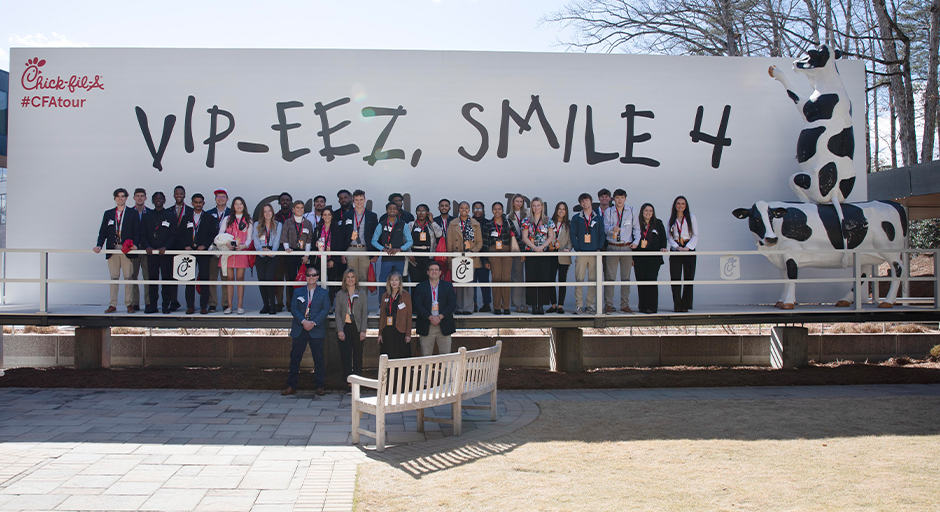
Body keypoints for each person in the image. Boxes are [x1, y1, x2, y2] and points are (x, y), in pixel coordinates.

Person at [283, 267, 330, 396]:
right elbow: (293, 308)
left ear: (317, 277)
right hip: (300, 328)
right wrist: (304, 321)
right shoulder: (298, 292)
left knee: (318, 359)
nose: (311, 277)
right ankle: (291, 385)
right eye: (309, 275)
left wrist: (313, 323)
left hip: (316, 329)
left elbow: (325, 309)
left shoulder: (324, 293)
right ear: (305, 277)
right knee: (295, 358)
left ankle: (320, 386)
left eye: (314, 275)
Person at [94, 188, 141, 313]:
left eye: (123, 196)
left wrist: (135, 245)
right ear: (115, 198)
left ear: (126, 198)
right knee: (114, 277)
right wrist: (99, 245)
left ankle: (129, 304)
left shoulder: (132, 213)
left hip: (127, 249)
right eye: (118, 196)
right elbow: (103, 232)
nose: (120, 198)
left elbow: (137, 231)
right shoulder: (108, 213)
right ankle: (113, 304)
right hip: (112, 248)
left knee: (128, 277)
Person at [180, 193, 218, 315]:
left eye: (200, 202)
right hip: (189, 252)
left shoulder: (208, 218)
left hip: (203, 253)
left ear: (203, 203)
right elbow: (179, 234)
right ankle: (190, 306)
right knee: (189, 280)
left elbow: (213, 235)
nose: (198, 204)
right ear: (192, 203)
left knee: (204, 279)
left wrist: (205, 246)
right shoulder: (186, 217)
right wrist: (186, 245)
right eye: (195, 202)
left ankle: (203, 306)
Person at [603, 188, 640, 314]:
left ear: (625, 198)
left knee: (626, 278)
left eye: (622, 197)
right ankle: (608, 305)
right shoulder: (609, 211)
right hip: (612, 246)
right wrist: (612, 229)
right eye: (617, 198)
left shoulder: (631, 211)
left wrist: (636, 242)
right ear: (614, 199)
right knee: (610, 278)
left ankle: (625, 304)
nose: (619, 200)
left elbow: (637, 229)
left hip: (626, 247)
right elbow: (605, 228)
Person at [140, 191, 178, 314]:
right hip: (151, 254)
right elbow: (143, 234)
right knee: (153, 280)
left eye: (160, 199)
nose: (158, 200)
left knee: (166, 280)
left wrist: (165, 247)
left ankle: (166, 305)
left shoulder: (170, 215)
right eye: (156, 199)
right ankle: (153, 305)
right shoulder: (147, 216)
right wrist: (147, 246)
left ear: (164, 200)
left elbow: (174, 235)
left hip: (165, 254)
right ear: (152, 201)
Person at [570, 193, 605, 315]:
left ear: (591, 202)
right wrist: (577, 248)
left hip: (595, 253)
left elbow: (602, 234)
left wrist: (599, 248)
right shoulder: (576, 218)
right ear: (580, 204)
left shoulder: (598, 218)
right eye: (583, 202)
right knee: (579, 280)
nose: (585, 203)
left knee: (593, 280)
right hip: (582, 253)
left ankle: (590, 305)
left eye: (587, 201)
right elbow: (572, 235)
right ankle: (578, 305)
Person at [333, 269, 368, 392]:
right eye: (348, 277)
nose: (350, 279)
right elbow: (337, 313)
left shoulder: (362, 293)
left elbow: (364, 313)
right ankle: (348, 383)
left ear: (356, 279)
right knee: (346, 355)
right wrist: (339, 330)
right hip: (345, 326)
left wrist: (363, 330)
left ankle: (357, 382)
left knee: (358, 355)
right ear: (344, 279)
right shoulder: (340, 294)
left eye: (353, 276)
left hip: (357, 327)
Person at [218, 197, 254, 315]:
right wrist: (226, 243)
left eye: (241, 204)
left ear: (244, 205)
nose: (238, 206)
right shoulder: (227, 219)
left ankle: (239, 306)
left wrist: (244, 246)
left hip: (241, 251)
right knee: (229, 279)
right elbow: (221, 234)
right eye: (236, 204)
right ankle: (229, 306)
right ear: (233, 206)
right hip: (228, 252)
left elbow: (249, 239)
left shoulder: (248, 220)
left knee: (240, 279)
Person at [413, 261, 457, 356]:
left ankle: (446, 372)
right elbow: (418, 305)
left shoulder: (448, 286)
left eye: (436, 270)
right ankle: (426, 372)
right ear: (427, 272)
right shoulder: (420, 287)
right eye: (431, 270)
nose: (434, 272)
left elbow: (452, 304)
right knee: (426, 356)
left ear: (440, 272)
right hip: (427, 325)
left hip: (444, 324)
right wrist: (430, 317)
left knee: (446, 356)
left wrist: (440, 316)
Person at [446, 201, 483, 314]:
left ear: (469, 210)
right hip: (457, 257)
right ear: (458, 210)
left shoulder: (475, 223)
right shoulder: (453, 223)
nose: (464, 210)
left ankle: (468, 308)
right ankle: (459, 307)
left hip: (470, 257)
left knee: (468, 284)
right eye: (461, 208)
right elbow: (450, 242)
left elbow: (479, 242)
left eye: (466, 208)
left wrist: (473, 251)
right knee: (459, 284)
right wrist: (450, 258)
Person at [521, 197, 556, 315]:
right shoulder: (526, 220)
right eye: (534, 206)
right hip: (531, 251)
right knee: (531, 278)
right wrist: (534, 247)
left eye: (538, 205)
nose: (536, 208)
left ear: (542, 206)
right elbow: (524, 237)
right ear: (531, 207)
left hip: (544, 252)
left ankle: (541, 304)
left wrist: (542, 247)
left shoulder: (548, 220)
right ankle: (533, 305)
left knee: (543, 278)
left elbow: (551, 236)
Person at [279, 200, 315, 310]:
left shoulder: (307, 223)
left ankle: (303, 303)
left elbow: (309, 240)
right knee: (291, 279)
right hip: (291, 252)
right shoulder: (288, 222)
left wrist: (306, 255)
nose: (300, 210)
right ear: (293, 209)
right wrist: (287, 248)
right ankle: (291, 304)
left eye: (302, 208)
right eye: (297, 208)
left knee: (304, 279)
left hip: (302, 254)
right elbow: (284, 237)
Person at [482, 201, 516, 315]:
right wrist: (486, 259)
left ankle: (506, 307)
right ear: (492, 211)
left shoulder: (508, 222)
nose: (497, 211)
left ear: (502, 210)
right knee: (496, 278)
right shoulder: (488, 224)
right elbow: (485, 243)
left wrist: (522, 252)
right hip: (493, 252)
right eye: (495, 209)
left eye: (499, 209)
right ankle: (497, 307)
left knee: (506, 279)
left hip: (506, 252)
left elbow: (516, 236)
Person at [341, 189, 378, 293]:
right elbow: (343, 235)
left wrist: (375, 254)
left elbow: (376, 236)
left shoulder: (372, 216)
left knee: (363, 278)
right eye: (356, 200)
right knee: (351, 278)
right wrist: (342, 252)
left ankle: (362, 306)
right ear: (353, 201)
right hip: (351, 249)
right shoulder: (347, 215)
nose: (359, 202)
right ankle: (352, 304)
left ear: (365, 200)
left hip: (365, 249)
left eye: (361, 199)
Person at [667, 195, 699, 312]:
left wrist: (688, 247)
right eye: (678, 204)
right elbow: (669, 237)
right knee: (675, 277)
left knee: (688, 277)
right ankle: (677, 304)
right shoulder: (671, 219)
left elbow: (695, 235)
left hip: (688, 249)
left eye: (683, 204)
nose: (680, 206)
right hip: (676, 249)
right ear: (675, 205)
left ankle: (686, 304)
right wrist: (676, 247)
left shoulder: (691, 218)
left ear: (686, 206)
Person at [634, 203, 667, 314]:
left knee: (651, 281)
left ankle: (651, 307)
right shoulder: (637, 223)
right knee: (641, 282)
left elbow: (663, 238)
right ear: (642, 212)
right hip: (639, 257)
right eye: (646, 210)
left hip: (653, 258)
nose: (648, 213)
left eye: (650, 211)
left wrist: (663, 248)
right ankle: (642, 306)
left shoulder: (658, 223)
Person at [166, 185, 192, 312]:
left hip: (186, 246)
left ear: (184, 194)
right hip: (171, 246)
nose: (179, 195)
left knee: (188, 275)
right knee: (172, 276)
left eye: (181, 193)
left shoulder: (191, 211)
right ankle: (173, 301)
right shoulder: (168, 210)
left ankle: (189, 304)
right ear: (174, 195)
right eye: (177, 193)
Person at [372, 201, 413, 282]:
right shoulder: (381, 224)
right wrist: (384, 249)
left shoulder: (403, 224)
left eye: (394, 209)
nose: (392, 210)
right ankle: (383, 295)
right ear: (386, 210)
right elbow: (374, 241)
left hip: (399, 258)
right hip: (386, 258)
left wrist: (400, 249)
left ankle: (396, 295)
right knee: (384, 281)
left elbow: (410, 241)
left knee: (398, 281)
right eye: (390, 208)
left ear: (397, 211)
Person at [253, 204, 283, 315]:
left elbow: (277, 241)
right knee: (262, 280)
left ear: (273, 212)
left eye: (269, 211)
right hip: (260, 255)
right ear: (262, 214)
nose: (267, 213)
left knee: (269, 279)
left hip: (272, 255)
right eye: (265, 211)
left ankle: (272, 305)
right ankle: (265, 305)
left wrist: (272, 252)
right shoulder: (257, 225)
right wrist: (262, 252)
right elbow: (256, 241)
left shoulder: (278, 225)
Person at [378, 271, 413, 360]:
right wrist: (380, 333)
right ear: (389, 282)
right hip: (388, 330)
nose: (394, 282)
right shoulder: (385, 295)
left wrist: (408, 334)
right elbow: (382, 315)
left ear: (400, 282)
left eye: (396, 280)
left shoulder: (406, 296)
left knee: (401, 356)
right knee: (388, 355)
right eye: (392, 280)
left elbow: (409, 316)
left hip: (400, 331)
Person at [205, 189, 230, 312]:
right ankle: (212, 304)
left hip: (226, 251)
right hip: (213, 250)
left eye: (223, 197)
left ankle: (226, 303)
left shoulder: (232, 213)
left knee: (225, 278)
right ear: (215, 199)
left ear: (227, 199)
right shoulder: (208, 214)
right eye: (218, 197)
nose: (220, 199)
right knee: (212, 278)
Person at [407, 204, 443, 283]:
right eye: (418, 211)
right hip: (414, 257)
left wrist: (432, 221)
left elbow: (439, 234)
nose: (421, 213)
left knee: (426, 281)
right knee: (415, 280)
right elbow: (405, 239)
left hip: (428, 256)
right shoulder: (411, 225)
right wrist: (409, 253)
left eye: (423, 211)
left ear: (427, 213)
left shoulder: (431, 225)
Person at [315, 207, 344, 303]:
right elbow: (312, 244)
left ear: (332, 216)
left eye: (329, 214)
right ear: (322, 216)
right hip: (319, 259)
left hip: (332, 259)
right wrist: (315, 244)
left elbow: (339, 245)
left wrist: (333, 260)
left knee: (332, 283)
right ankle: (320, 304)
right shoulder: (317, 229)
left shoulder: (337, 229)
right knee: (319, 283)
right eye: (325, 214)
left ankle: (330, 304)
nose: (327, 216)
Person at [548, 201, 572, 314]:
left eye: (564, 209)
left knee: (562, 281)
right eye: (559, 208)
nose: (561, 211)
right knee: (550, 280)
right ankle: (553, 304)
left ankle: (560, 305)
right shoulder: (550, 222)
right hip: (551, 254)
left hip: (563, 255)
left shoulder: (569, 224)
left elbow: (571, 240)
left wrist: (568, 248)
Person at [129, 187, 151, 312]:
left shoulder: (150, 213)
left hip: (146, 249)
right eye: (137, 196)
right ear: (133, 198)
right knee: (132, 276)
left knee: (147, 277)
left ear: (145, 198)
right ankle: (135, 302)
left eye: (142, 196)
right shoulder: (129, 213)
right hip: (133, 249)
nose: (140, 198)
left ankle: (148, 303)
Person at [272, 192, 294, 312]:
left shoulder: (295, 216)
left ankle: (290, 303)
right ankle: (279, 303)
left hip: (291, 252)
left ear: (291, 202)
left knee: (290, 279)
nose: (285, 202)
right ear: (279, 202)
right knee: (279, 279)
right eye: (283, 200)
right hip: (279, 253)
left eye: (287, 200)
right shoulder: (275, 217)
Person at [508, 193, 528, 312]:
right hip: (516, 249)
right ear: (513, 203)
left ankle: (527, 303)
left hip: (529, 247)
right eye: (517, 201)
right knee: (517, 277)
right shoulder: (508, 217)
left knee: (528, 277)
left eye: (521, 201)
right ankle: (518, 304)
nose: (519, 203)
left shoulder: (529, 214)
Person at [471, 201, 492, 313]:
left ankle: (487, 304)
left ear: (483, 210)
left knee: (484, 281)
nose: (477, 211)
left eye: (479, 209)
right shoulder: (468, 223)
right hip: (472, 256)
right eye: (475, 209)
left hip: (484, 256)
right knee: (472, 281)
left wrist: (487, 258)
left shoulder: (488, 223)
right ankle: (473, 303)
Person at [433, 198, 453, 280]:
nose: (444, 207)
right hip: (438, 250)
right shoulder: (434, 220)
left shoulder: (454, 220)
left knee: (450, 274)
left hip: (450, 249)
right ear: (438, 208)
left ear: (450, 208)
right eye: (442, 206)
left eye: (446, 206)